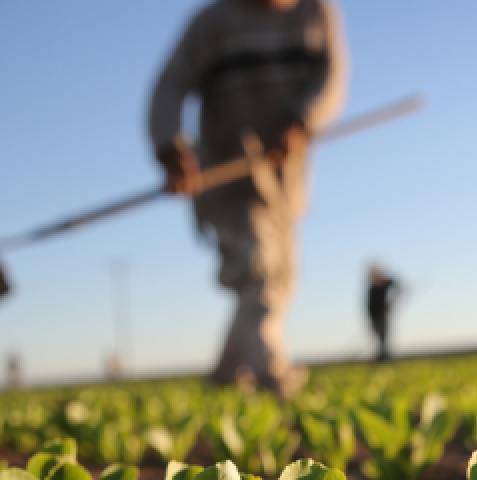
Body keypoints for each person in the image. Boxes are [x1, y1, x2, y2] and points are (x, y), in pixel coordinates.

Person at [148, 0, 348, 397]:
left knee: (281, 279)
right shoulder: (212, 23)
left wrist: (301, 120)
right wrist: (170, 147)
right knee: (258, 272)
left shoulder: (316, 14)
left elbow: (331, 78)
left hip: (285, 183)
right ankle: (272, 374)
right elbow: (170, 86)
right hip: (227, 177)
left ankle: (225, 376)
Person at [366, 264, 401, 361]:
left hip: (383, 316)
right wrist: (372, 318)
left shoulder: (386, 282)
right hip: (374, 317)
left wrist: (391, 302)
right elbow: (370, 306)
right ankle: (382, 356)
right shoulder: (372, 288)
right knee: (379, 338)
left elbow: (398, 287)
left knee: (383, 337)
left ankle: (384, 358)